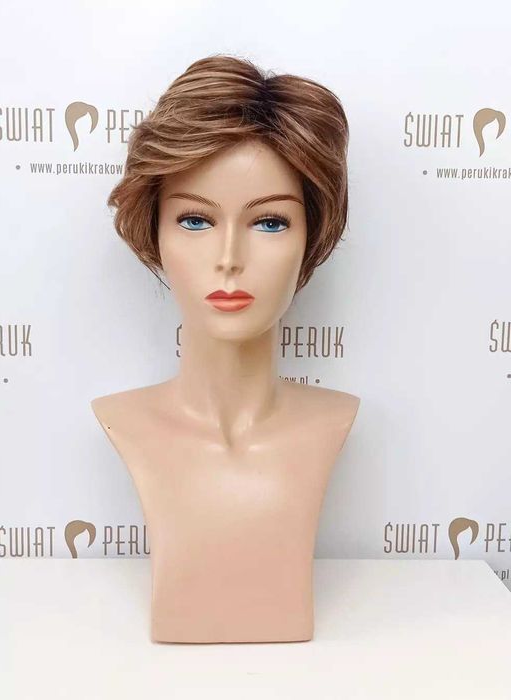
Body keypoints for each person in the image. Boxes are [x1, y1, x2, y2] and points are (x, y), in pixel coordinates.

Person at [92, 54, 360, 644]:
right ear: (154, 232)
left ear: (313, 237)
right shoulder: (123, 422)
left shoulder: (335, 422)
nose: (229, 258)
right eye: (195, 220)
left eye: (269, 222)